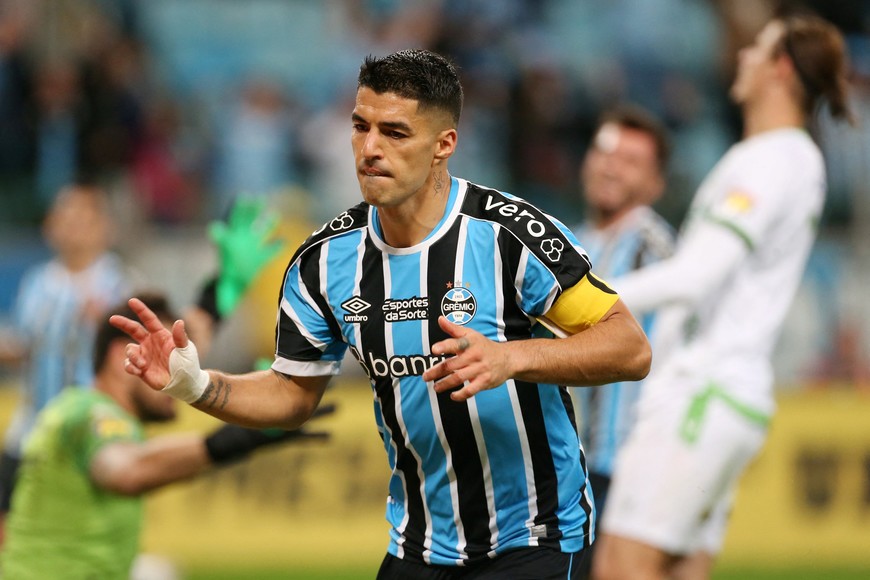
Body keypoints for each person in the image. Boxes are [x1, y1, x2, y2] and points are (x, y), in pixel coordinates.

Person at [111, 49, 652, 580]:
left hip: (535, 535)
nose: (370, 148)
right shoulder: (323, 263)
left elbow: (630, 347)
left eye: (394, 133)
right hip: (417, 543)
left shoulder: (510, 235)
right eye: (360, 126)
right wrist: (196, 384)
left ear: (444, 145)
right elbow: (291, 394)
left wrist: (511, 357)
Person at [592, 13, 854, 580]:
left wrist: (579, 297)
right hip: (725, 397)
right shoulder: (789, 158)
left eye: (757, 50)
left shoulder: (769, 160)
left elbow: (693, 277)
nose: (743, 58)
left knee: (621, 564)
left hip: (702, 393)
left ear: (781, 69)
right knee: (683, 566)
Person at [0, 294, 333, 579]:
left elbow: (189, 341)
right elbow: (126, 470)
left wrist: (216, 295)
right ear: (122, 355)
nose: (177, 376)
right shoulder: (91, 414)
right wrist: (234, 439)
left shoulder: (77, 406)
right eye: (165, 357)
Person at [568, 105, 676, 575]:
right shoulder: (570, 241)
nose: (611, 165)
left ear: (655, 184)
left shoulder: (654, 248)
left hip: (627, 462)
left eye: (631, 160)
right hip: (577, 464)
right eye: (604, 151)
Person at [0, 182, 133, 544]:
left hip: (88, 428)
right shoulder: (38, 282)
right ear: (50, 226)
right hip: (32, 421)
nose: (72, 226)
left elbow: (136, 352)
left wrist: (105, 322)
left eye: (82, 218)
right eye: (65, 217)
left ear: (104, 228)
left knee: (79, 528)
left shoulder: (116, 284)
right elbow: (23, 346)